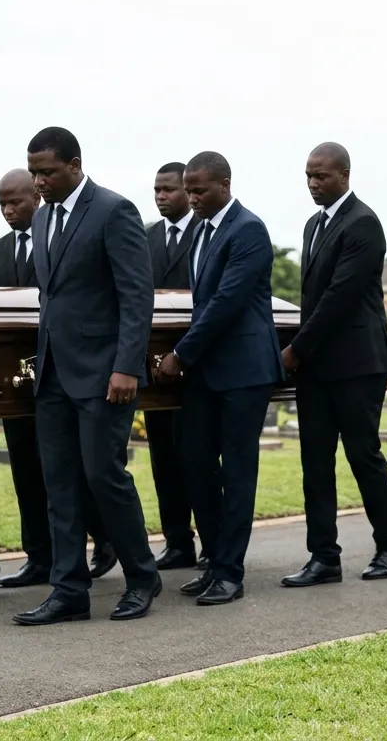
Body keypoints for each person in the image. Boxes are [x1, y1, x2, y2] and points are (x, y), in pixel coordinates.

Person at [13, 127, 160, 626]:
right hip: (52, 373)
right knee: (60, 484)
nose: (39, 181)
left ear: (75, 164)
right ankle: (68, 589)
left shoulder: (113, 211)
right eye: (34, 172)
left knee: (103, 475)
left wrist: (127, 367)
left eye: (48, 172)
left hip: (104, 374)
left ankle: (142, 577)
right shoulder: (41, 218)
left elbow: (137, 296)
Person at [156, 151, 283, 606]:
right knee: (193, 460)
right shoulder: (203, 232)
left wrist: (180, 354)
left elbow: (227, 302)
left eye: (199, 191)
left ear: (224, 185)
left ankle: (230, 571)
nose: (191, 199)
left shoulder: (247, 229)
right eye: (187, 190)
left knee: (238, 470)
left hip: (243, 369)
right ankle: (214, 559)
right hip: (208, 369)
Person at [280, 142, 387, 588]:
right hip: (318, 365)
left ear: (345, 175)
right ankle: (324, 556)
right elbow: (310, 297)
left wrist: (296, 348)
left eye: (322, 176)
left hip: (357, 362)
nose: (314, 184)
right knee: (315, 459)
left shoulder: (363, 223)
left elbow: (340, 297)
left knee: (362, 455)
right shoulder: (315, 224)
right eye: (309, 176)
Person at [0, 169, 115, 589]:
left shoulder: (62, 235)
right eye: (2, 204)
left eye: (16, 202)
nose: (8, 211)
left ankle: (104, 539)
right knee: (26, 469)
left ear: (36, 198)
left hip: (64, 369)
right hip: (18, 379)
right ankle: (39, 557)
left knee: (76, 468)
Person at [144, 161, 206, 571]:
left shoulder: (207, 233)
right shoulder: (144, 237)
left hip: (194, 362)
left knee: (197, 459)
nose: (161, 197)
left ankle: (212, 542)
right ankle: (177, 542)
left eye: (168, 190)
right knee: (163, 460)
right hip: (154, 369)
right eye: (156, 190)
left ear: (186, 191)